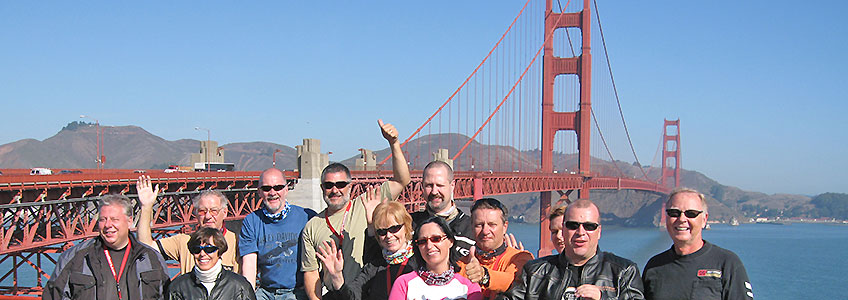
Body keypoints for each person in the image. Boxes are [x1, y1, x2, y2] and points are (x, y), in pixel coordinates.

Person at [301, 119, 411, 300]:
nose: (334, 189)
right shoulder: (312, 227)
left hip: (369, 290)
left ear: (350, 187)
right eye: (328, 185)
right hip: (337, 294)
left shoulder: (367, 201)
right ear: (322, 188)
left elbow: (401, 180)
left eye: (341, 184)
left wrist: (394, 143)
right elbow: (311, 273)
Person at [501, 199, 644, 300]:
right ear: (563, 229)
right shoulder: (534, 271)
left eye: (589, 226)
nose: (580, 232)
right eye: (573, 225)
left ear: (599, 231)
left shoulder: (624, 272)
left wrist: (604, 298)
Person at [43, 194, 170, 300]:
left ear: (130, 221)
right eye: (103, 219)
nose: (108, 225)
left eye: (114, 219)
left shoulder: (152, 258)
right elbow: (54, 295)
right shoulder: (74, 257)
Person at [642, 188, 754, 300]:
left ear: (704, 220)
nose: (681, 219)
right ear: (666, 217)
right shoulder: (653, 267)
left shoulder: (727, 263)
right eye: (674, 213)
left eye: (691, 214)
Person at [137, 176, 241, 274]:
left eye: (214, 211)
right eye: (202, 211)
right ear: (195, 213)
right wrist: (146, 207)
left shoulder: (237, 242)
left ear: (225, 212)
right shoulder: (183, 241)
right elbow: (146, 248)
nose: (208, 216)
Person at [239, 168, 317, 300]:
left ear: (286, 189)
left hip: (297, 292)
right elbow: (249, 264)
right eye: (266, 188)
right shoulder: (251, 221)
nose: (272, 192)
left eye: (278, 187)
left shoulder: (307, 216)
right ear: (259, 192)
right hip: (265, 292)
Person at [318, 201, 420, 300]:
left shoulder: (420, 260)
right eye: (382, 231)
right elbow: (353, 295)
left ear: (406, 227)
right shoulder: (374, 267)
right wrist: (337, 277)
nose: (388, 236)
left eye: (394, 228)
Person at [389, 217, 482, 300]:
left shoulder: (469, 287)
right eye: (422, 241)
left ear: (450, 241)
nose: (429, 246)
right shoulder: (403, 284)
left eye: (436, 238)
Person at [460, 198, 533, 300]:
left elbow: (513, 281)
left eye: (492, 225)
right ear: (472, 227)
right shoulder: (462, 264)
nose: (485, 231)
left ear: (505, 227)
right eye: (479, 225)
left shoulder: (520, 258)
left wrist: (484, 275)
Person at [168, 227, 256, 300]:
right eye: (197, 249)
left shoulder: (240, 286)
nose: (202, 254)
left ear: (220, 251)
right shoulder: (177, 287)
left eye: (209, 249)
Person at [411, 161, 475, 257]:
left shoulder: (472, 229)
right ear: (422, 186)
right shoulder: (409, 225)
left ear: (452, 185)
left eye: (440, 185)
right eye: (429, 185)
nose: (434, 191)